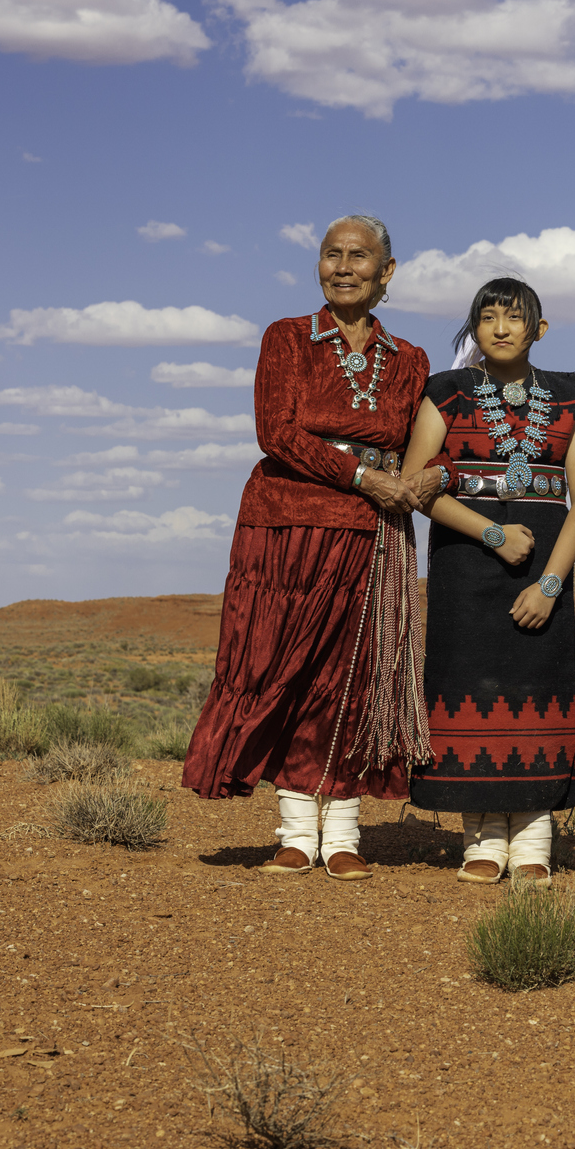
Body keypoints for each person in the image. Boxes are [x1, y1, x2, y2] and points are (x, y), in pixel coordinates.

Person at [181, 215, 438, 881]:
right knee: (282, 671)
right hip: (287, 528)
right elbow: (277, 433)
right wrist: (362, 477)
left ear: (387, 272)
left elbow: (426, 449)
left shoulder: (410, 360)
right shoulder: (288, 339)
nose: (344, 266)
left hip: (373, 535)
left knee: (351, 678)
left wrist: (427, 479)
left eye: (359, 256)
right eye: (332, 255)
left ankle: (344, 833)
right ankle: (296, 832)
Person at [401, 276, 575, 882]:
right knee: (470, 694)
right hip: (465, 573)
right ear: (474, 329)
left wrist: (550, 586)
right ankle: (481, 842)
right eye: (487, 318)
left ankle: (534, 839)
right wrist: (491, 534)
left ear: (538, 330)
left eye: (515, 318)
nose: (501, 328)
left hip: (543, 575)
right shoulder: (445, 394)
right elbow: (413, 486)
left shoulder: (569, 398)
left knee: (536, 694)